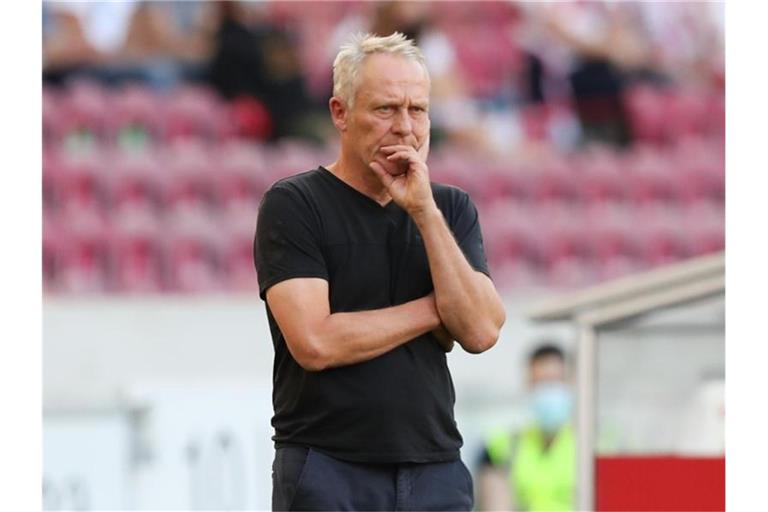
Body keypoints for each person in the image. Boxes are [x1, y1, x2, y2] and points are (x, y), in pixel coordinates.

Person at [254, 32, 506, 511]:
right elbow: (316, 342)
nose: (405, 127)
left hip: (436, 470)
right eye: (386, 109)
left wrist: (424, 211)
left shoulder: (448, 208)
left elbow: (480, 329)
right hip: (329, 468)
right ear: (340, 113)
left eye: (418, 110)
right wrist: (435, 311)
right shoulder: (295, 204)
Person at [476, 343, 575, 511]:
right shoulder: (501, 446)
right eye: (541, 383)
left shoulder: (598, 445)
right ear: (528, 385)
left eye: (554, 382)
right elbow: (496, 505)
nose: (548, 391)